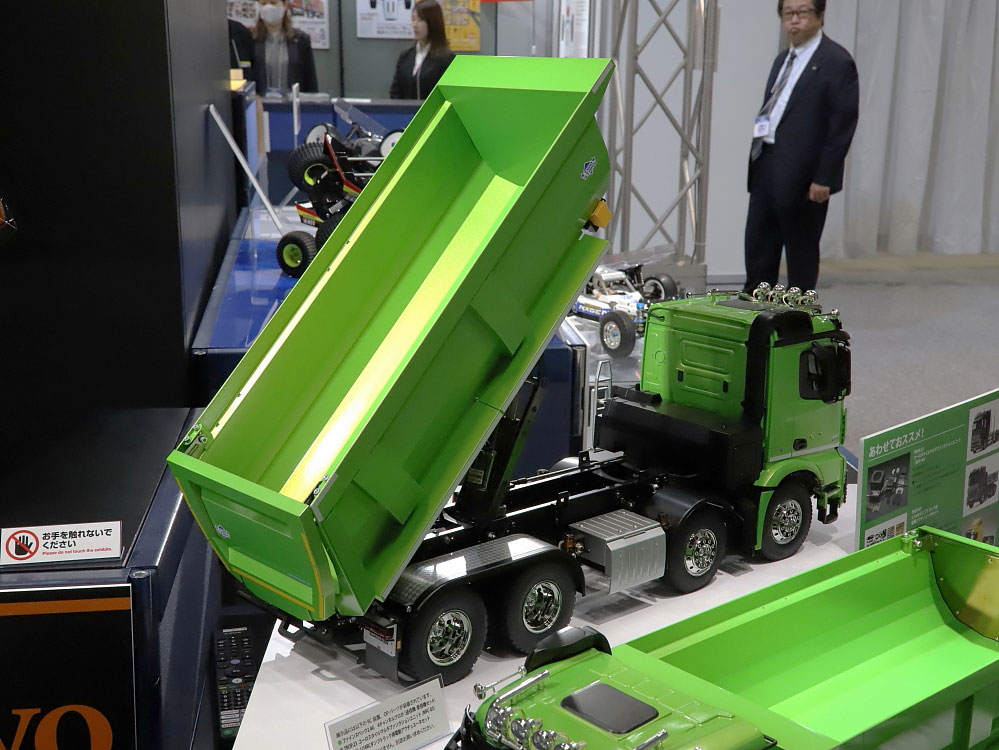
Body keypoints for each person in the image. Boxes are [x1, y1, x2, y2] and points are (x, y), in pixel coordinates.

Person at [743, 0, 859, 293]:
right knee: (759, 247)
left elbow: (842, 126)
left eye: (802, 12)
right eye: (788, 13)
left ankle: (799, 313)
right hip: (766, 164)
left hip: (805, 176)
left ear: (820, 16)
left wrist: (825, 178)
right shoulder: (783, 59)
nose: (794, 20)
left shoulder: (836, 61)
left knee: (801, 253)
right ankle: (756, 308)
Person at [390, 0, 455, 100]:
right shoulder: (406, 56)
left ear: (432, 22)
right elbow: (395, 92)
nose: (415, 25)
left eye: (420, 20)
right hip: (404, 110)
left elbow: (447, 97)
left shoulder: (446, 59)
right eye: (413, 19)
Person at [249, 0, 318, 94]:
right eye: (263, 4)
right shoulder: (250, 39)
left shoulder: (300, 39)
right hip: (261, 102)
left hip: (292, 101)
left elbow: (310, 79)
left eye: (273, 3)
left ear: (285, 5)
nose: (268, 7)